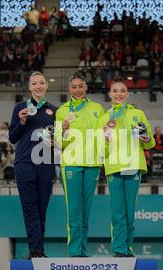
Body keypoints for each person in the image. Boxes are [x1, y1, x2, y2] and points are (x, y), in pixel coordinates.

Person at [98, 78, 155, 257]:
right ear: (110, 95)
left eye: (122, 91)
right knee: (117, 211)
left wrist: (145, 138)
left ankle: (127, 247)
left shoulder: (138, 114)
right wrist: (106, 139)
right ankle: (119, 249)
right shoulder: (104, 118)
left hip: (133, 166)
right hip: (114, 167)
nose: (119, 94)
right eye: (115, 91)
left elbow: (150, 142)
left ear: (127, 94)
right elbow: (100, 149)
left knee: (130, 211)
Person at [55, 72, 105, 257]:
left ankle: (83, 250)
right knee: (75, 212)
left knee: (85, 212)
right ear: (69, 89)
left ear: (86, 87)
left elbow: (102, 137)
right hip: (71, 165)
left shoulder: (98, 109)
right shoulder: (62, 111)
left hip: (92, 164)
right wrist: (63, 131)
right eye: (74, 87)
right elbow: (59, 142)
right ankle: (75, 252)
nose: (77, 90)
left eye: (80, 86)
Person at [9, 72, 57, 259]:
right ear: (29, 87)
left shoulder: (54, 110)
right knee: (30, 209)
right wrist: (21, 122)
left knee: (41, 209)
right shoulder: (20, 108)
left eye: (41, 83)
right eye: (34, 83)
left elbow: (58, 139)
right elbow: (13, 137)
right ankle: (35, 251)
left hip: (45, 163)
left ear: (46, 86)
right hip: (24, 163)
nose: (38, 86)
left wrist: (58, 138)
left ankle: (39, 250)